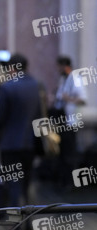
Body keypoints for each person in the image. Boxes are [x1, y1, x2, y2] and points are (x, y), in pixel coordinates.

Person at [0, 54, 41, 208]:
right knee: (27, 183)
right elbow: (39, 115)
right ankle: (29, 221)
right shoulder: (36, 85)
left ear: (12, 68)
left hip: (10, 144)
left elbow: (1, 118)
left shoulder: (7, 87)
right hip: (30, 143)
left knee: (13, 183)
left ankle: (16, 223)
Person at [53, 56, 87, 188]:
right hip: (63, 120)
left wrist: (68, 99)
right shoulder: (64, 80)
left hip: (70, 122)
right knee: (63, 153)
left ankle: (70, 182)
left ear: (64, 66)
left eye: (59, 66)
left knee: (69, 153)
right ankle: (63, 180)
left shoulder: (75, 79)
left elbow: (82, 99)